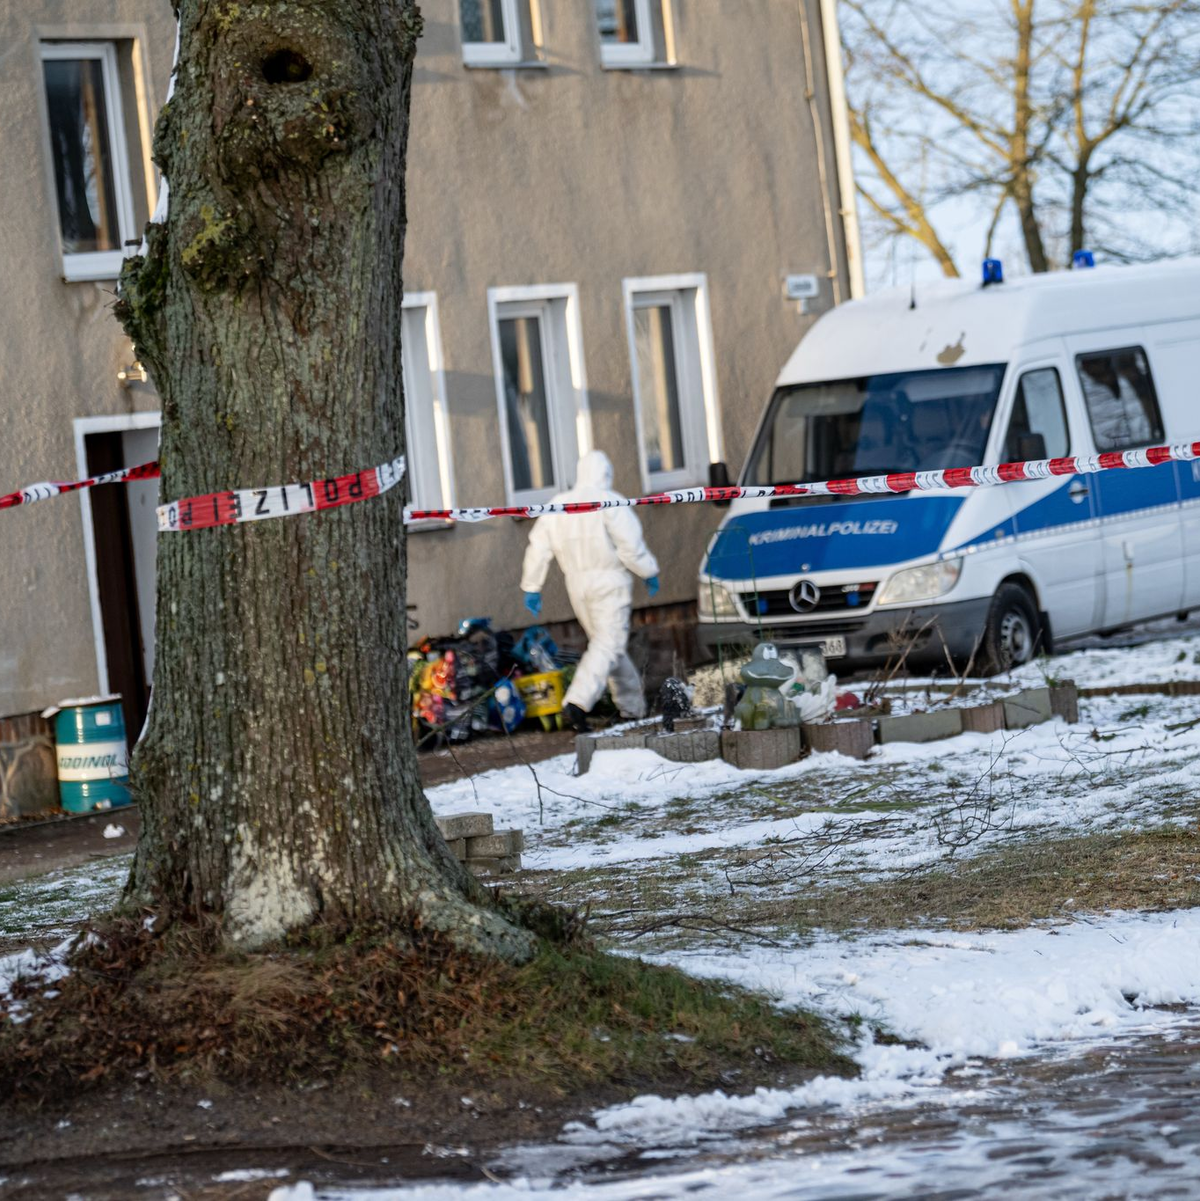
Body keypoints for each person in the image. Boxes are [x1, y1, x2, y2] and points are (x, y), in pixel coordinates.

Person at [519, 450, 660, 732]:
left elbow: (538, 547)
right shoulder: (610, 502)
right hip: (610, 582)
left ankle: (632, 707)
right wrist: (648, 571)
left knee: (609, 646)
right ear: (606, 473)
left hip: (577, 585)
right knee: (609, 644)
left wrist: (532, 585)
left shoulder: (558, 504)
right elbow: (630, 546)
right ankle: (578, 702)